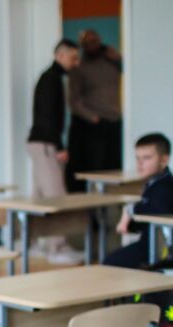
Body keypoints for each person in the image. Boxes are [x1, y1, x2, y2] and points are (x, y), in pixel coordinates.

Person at [27, 38, 84, 265]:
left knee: (40, 196)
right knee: (56, 196)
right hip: (46, 144)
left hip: (41, 143)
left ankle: (32, 243)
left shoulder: (53, 78)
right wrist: (59, 145)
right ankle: (57, 248)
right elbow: (47, 116)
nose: (76, 63)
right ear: (60, 55)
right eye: (73, 57)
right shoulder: (51, 79)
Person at [104, 133, 173, 269]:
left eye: (147, 158)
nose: (140, 164)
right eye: (137, 158)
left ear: (164, 160)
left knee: (109, 264)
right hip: (153, 245)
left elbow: (159, 210)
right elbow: (148, 214)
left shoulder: (164, 187)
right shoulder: (158, 182)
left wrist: (131, 210)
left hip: (158, 249)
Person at [66, 29, 123, 192]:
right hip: (93, 125)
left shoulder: (112, 62)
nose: (92, 45)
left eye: (94, 41)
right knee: (94, 169)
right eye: (87, 42)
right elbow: (74, 100)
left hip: (114, 121)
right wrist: (92, 117)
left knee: (114, 168)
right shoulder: (79, 67)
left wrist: (118, 59)